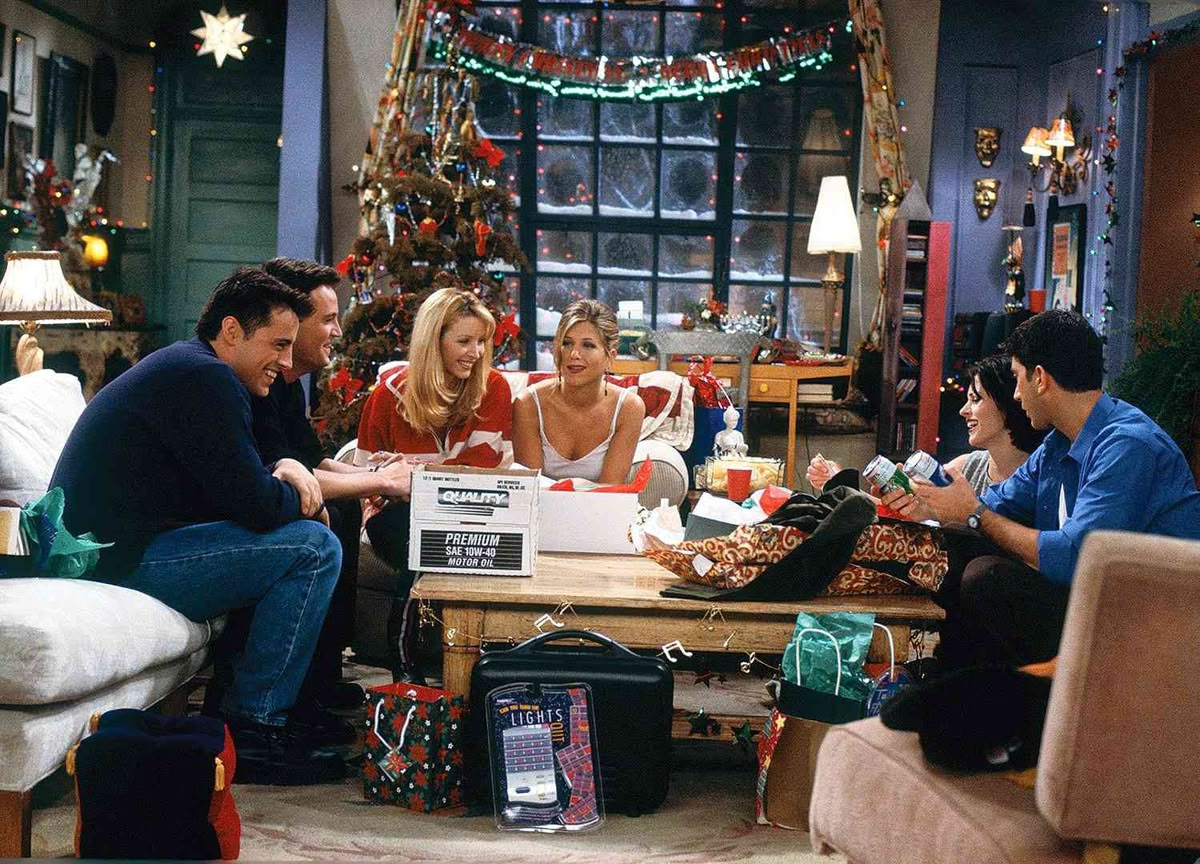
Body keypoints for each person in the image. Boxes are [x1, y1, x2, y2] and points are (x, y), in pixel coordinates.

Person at [50, 267, 347, 785]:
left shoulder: (191, 367)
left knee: (305, 539)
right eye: (278, 345)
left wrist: (285, 469)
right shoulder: (204, 378)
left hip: (126, 547)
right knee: (313, 547)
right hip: (113, 560)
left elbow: (238, 487)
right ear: (231, 331)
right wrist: (299, 490)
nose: (285, 362)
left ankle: (259, 712)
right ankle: (252, 729)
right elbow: (256, 505)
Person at [915, 310, 1200, 669]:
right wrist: (931, 504)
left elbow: (1074, 558)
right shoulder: (1057, 444)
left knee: (987, 577)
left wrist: (974, 514)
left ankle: (993, 689)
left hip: (1148, 624)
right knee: (960, 546)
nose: (1016, 395)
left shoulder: (1128, 445)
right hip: (1094, 602)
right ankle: (948, 674)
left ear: (1040, 378)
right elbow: (993, 507)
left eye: (1017, 379)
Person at [246, 257, 414, 712]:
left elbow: (311, 461)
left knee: (344, 509)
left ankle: (323, 672)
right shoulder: (258, 382)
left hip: (285, 492)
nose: (337, 331)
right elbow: (278, 471)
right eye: (328, 320)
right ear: (292, 322)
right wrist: (378, 481)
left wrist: (377, 477)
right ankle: (307, 684)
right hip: (258, 510)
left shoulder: (289, 385)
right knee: (333, 515)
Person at [355, 286, 513, 680]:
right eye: (464, 341)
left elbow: (481, 469)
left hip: (472, 511)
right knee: (422, 539)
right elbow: (366, 478)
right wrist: (402, 480)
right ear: (433, 340)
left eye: (482, 341)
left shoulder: (493, 388)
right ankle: (409, 670)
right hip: (398, 516)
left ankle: (422, 667)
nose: (476, 352)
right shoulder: (388, 396)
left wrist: (412, 473)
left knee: (438, 538)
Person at [806, 355, 1044, 515]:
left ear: (1008, 403)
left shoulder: (1039, 475)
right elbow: (913, 508)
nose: (963, 411)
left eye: (975, 399)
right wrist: (838, 482)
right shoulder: (965, 467)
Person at [512, 298, 645, 483]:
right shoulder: (528, 404)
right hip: (540, 502)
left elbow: (609, 490)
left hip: (602, 502)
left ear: (610, 357)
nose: (574, 354)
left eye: (588, 345)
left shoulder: (628, 408)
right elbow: (530, 489)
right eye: (567, 343)